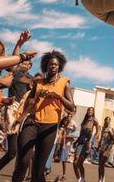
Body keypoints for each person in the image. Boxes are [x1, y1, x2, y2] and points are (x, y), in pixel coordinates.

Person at [11, 50, 75, 182]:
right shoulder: (38, 82)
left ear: (59, 66)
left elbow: (71, 107)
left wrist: (58, 97)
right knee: (23, 160)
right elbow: (29, 102)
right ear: (46, 65)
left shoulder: (64, 83)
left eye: (56, 65)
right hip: (32, 122)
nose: (53, 66)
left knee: (38, 170)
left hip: (49, 127)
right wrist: (19, 120)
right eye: (50, 64)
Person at [73, 107, 99, 182]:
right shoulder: (84, 120)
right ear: (87, 111)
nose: (90, 111)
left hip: (87, 143)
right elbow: (81, 133)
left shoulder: (94, 120)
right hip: (80, 142)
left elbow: (98, 131)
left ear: (93, 112)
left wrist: (92, 140)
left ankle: (82, 179)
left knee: (80, 163)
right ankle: (80, 179)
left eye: (91, 110)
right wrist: (76, 141)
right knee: (75, 162)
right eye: (89, 110)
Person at [98, 116, 114, 182]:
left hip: (107, 149)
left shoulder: (112, 129)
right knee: (100, 165)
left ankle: (103, 178)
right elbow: (101, 139)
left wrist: (110, 134)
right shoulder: (103, 129)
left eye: (108, 120)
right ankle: (100, 179)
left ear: (110, 121)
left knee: (102, 163)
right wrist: (99, 146)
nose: (107, 121)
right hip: (102, 148)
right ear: (105, 121)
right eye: (106, 120)